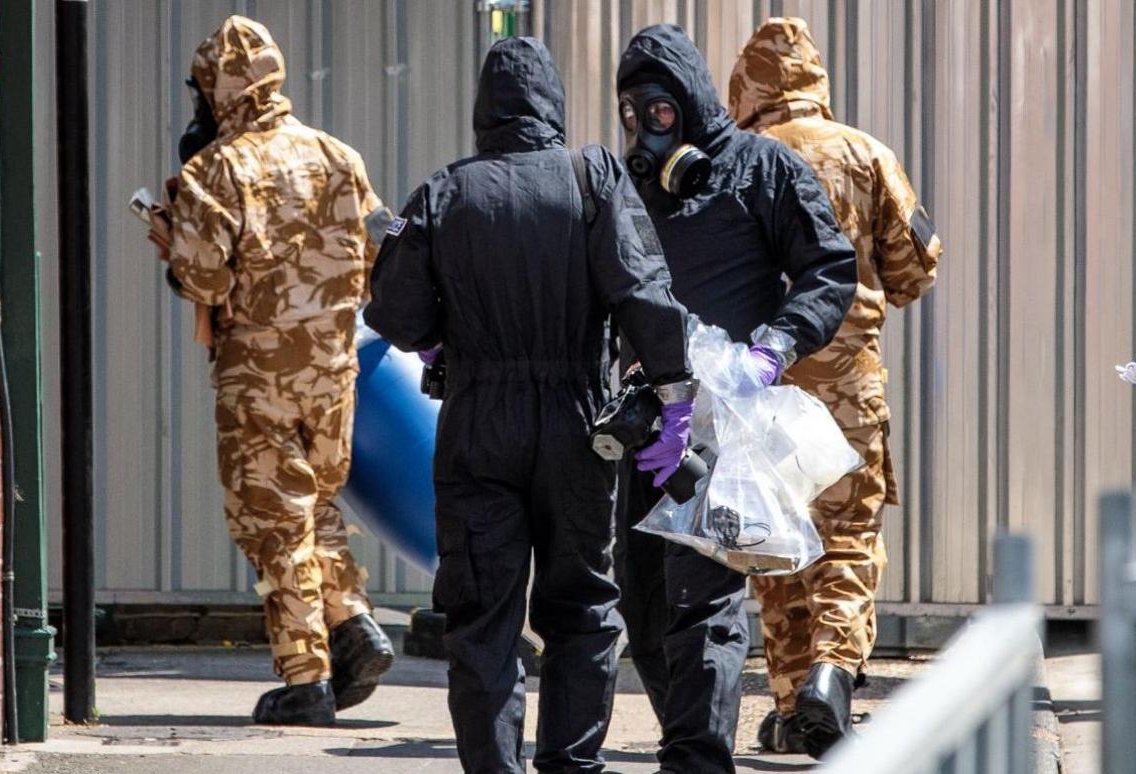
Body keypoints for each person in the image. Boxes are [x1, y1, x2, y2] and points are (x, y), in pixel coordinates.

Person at [365, 37, 695, 774]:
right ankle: (571, 767)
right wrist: (674, 397)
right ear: (552, 102)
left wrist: (439, 317)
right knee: (580, 609)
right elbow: (643, 291)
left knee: (483, 618)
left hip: (477, 421)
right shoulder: (591, 178)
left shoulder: (445, 191)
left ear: (483, 109)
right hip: (579, 422)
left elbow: (399, 319)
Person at [613, 24, 860, 774]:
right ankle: (684, 732)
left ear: (689, 98)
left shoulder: (764, 168)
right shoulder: (626, 190)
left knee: (707, 597)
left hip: (728, 420)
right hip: (651, 416)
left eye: (658, 109)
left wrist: (775, 346)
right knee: (641, 600)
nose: (647, 127)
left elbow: (828, 269)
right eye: (632, 113)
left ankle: (697, 756)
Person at [163, 15, 395, 726]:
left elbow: (200, 280)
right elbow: (382, 255)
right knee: (313, 506)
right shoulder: (338, 156)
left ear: (219, 91)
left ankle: (307, 676)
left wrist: (172, 230)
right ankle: (351, 624)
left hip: (257, 377)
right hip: (332, 373)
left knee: (272, 521)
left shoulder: (216, 171)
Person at [729, 18, 942, 757]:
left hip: (759, 386)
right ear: (815, 76)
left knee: (775, 543)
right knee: (847, 539)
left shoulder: (736, 157)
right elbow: (913, 273)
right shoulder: (866, 153)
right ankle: (832, 675)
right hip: (848, 385)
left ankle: (793, 710)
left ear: (746, 87)